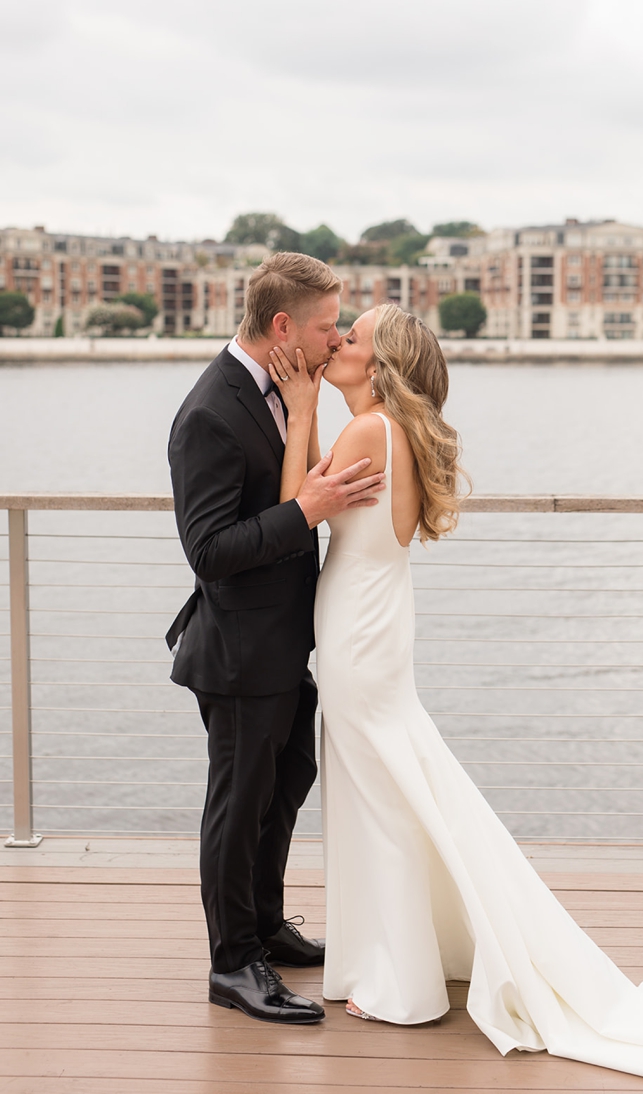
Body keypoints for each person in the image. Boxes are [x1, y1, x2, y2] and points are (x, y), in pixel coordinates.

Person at [267, 303, 643, 1079]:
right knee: (393, 785)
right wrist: (318, 411)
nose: (337, 342)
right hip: (378, 627)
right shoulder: (390, 431)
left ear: (379, 366)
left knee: (378, 797)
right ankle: (405, 953)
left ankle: (404, 986)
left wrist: (302, 409)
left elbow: (294, 511)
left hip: (359, 633)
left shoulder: (367, 430)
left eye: (351, 338)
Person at [166, 252, 386, 1024]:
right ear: (284, 325)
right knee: (237, 806)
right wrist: (308, 511)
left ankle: (263, 925)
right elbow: (210, 552)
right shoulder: (208, 413)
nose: (336, 340)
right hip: (237, 652)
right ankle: (232, 965)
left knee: (287, 778)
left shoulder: (281, 390)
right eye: (329, 326)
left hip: (284, 645)